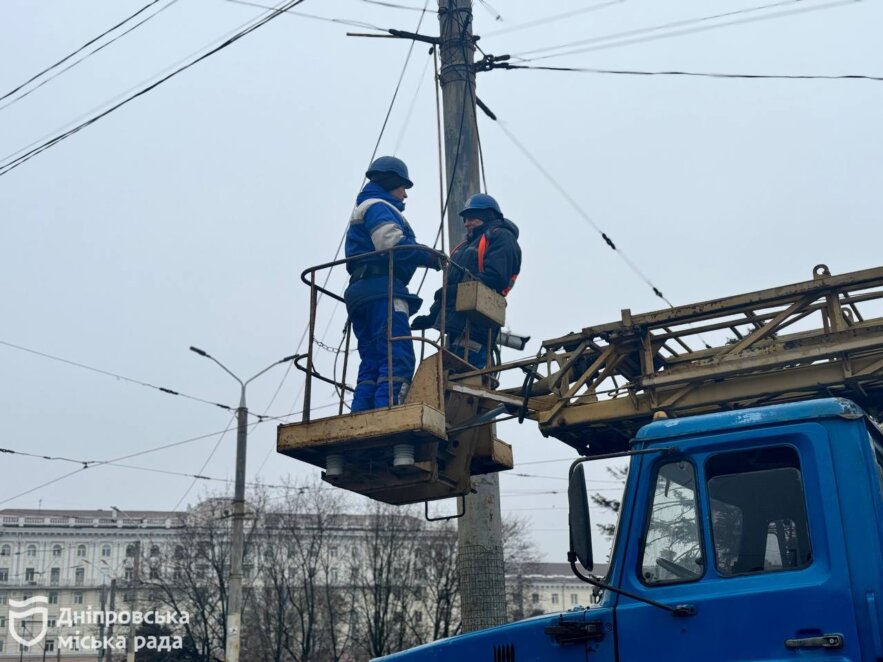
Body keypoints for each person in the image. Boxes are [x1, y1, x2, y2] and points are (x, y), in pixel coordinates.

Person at [344, 156, 441, 412]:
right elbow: (391, 245)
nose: (405, 195)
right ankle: (390, 415)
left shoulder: (367, 206)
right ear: (390, 182)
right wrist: (429, 256)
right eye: (402, 188)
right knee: (396, 357)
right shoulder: (378, 206)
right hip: (382, 290)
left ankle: (362, 416)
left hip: (363, 291)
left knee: (373, 362)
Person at [411, 193, 521, 368]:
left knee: (465, 378)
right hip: (456, 328)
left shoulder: (501, 237)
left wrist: (456, 291)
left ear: (487, 216)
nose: (466, 223)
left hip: (477, 327)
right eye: (465, 219)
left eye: (472, 218)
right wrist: (433, 316)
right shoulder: (463, 247)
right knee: (447, 381)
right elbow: (451, 285)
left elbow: (496, 278)